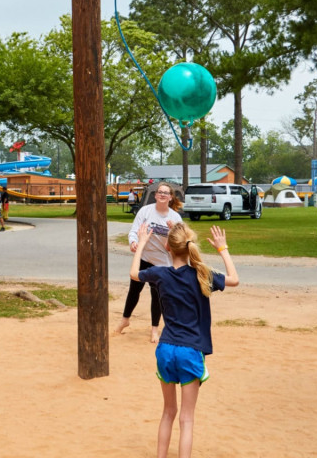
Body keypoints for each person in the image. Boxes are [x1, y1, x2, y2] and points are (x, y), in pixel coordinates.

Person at [130, 221, 239, 458]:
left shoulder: (160, 274)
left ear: (168, 248)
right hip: (190, 351)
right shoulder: (202, 274)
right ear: (189, 246)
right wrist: (223, 248)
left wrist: (142, 245)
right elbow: (234, 279)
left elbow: (134, 274)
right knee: (186, 419)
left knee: (168, 412)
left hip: (166, 349)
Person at [116, 182, 182, 343]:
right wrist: (133, 242)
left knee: (157, 295)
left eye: (166, 193)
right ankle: (125, 320)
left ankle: (154, 329)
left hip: (162, 263)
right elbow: (133, 230)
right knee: (134, 290)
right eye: (160, 192)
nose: (162, 195)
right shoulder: (145, 211)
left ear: (171, 197)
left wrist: (174, 230)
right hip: (144, 258)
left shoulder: (175, 217)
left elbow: (182, 241)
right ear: (155, 195)